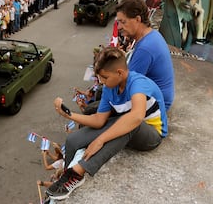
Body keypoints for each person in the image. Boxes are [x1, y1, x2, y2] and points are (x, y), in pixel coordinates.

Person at [46, 47, 167, 200]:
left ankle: (77, 174)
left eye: (104, 77)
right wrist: (69, 115)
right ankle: (66, 176)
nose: (101, 81)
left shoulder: (137, 84)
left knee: (129, 122)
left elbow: (136, 117)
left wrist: (100, 140)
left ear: (120, 73)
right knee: (73, 140)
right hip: (124, 125)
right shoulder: (110, 87)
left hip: (150, 133)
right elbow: (99, 120)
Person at [116, 0, 175, 111]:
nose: (119, 27)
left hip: (156, 105)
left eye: (123, 22)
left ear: (137, 19)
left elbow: (126, 86)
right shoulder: (151, 35)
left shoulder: (145, 48)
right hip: (157, 97)